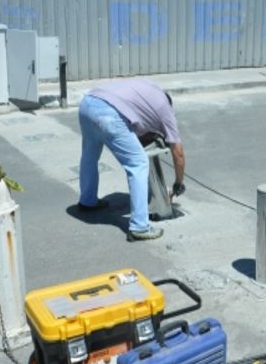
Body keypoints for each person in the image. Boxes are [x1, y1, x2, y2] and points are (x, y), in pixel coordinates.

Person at [77, 79, 186, 242]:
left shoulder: (150, 90)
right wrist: (179, 183)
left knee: (90, 153)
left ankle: (87, 200)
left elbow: (133, 121)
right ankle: (140, 227)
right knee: (139, 163)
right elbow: (178, 154)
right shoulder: (166, 111)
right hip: (109, 114)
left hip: (87, 103)